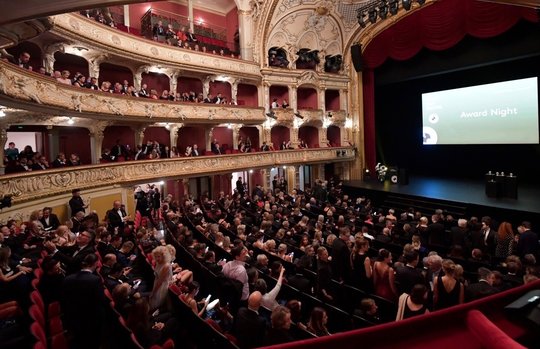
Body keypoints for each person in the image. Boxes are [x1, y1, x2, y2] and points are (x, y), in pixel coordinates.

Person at [61, 254, 108, 349]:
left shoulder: (68, 279)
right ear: (94, 264)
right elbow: (101, 300)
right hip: (91, 318)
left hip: (72, 316)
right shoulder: (95, 280)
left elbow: (64, 299)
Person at [149, 246, 173, 310]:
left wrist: (153, 292)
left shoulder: (166, 266)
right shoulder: (158, 262)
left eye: (158, 256)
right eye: (155, 256)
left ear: (163, 256)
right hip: (157, 283)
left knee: (155, 304)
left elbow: (160, 281)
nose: (157, 258)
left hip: (162, 286)